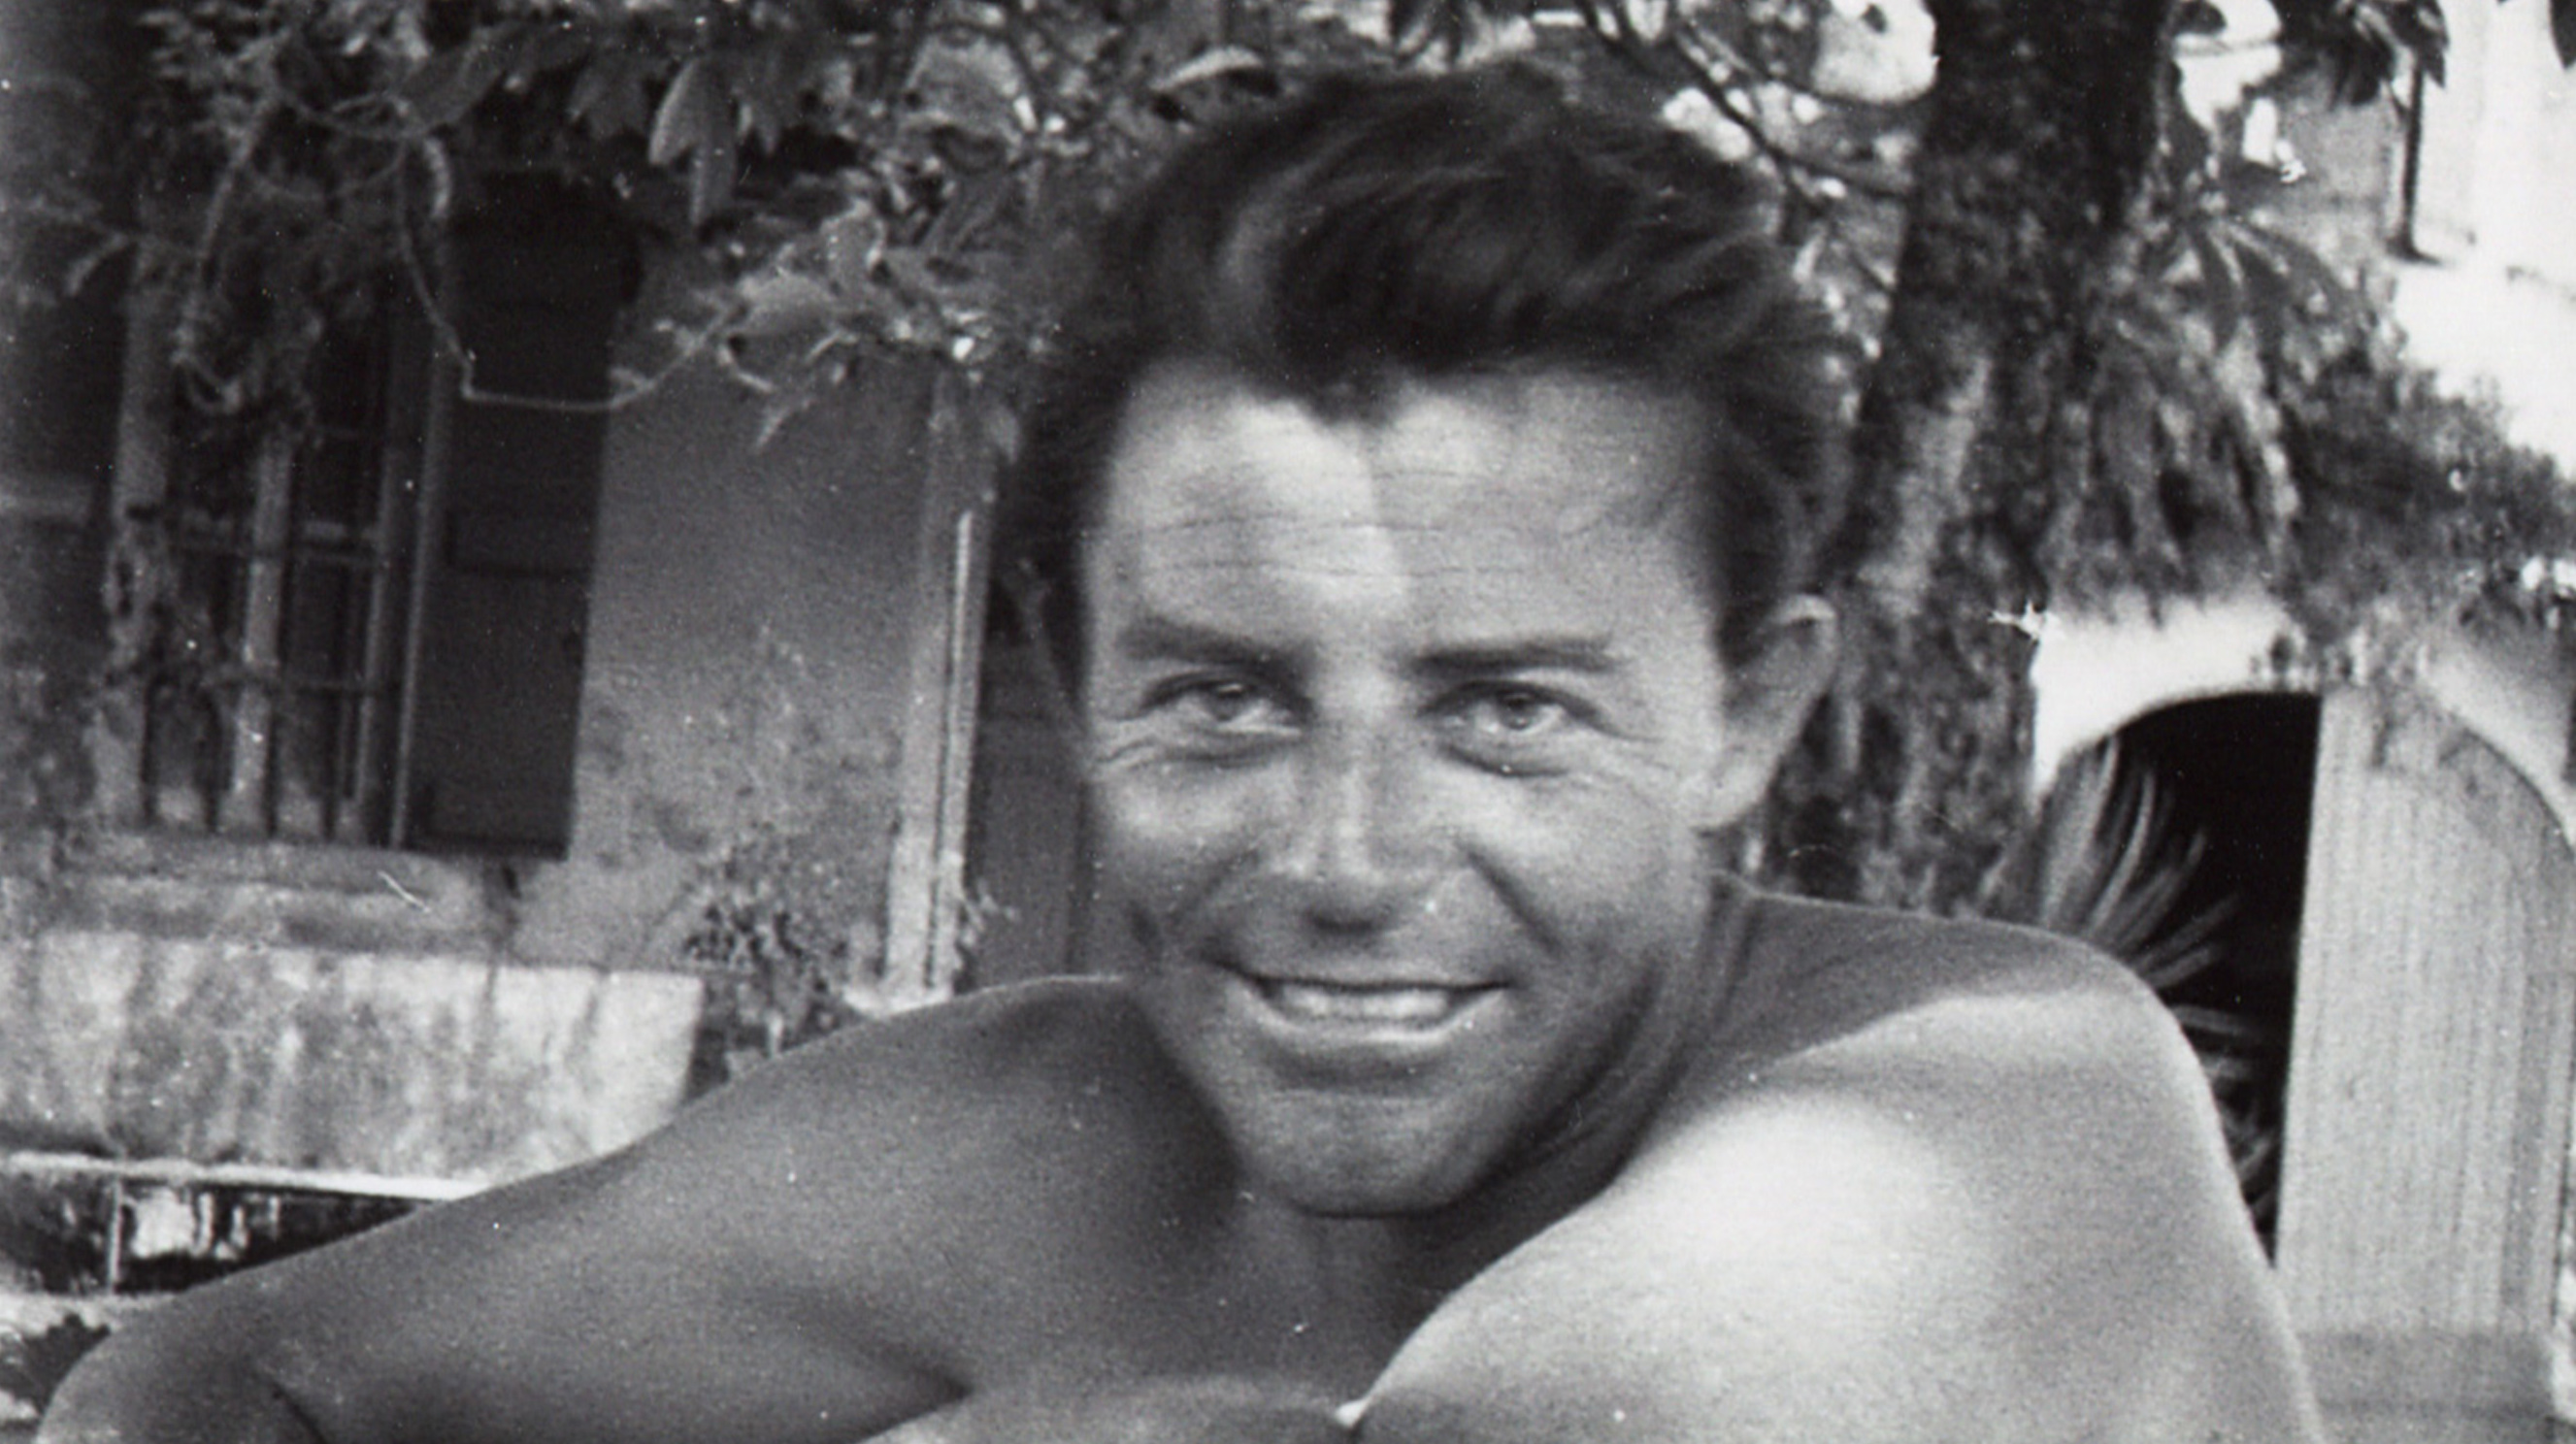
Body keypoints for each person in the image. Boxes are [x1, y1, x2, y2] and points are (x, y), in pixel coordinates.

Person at [41, 65, 2325, 1444]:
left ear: (1750, 712)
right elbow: (208, 1383)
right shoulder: (1030, 1141)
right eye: (1222, 696)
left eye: (1504, 711)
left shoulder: (1991, 1107)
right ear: (1072, 664)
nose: (1343, 858)